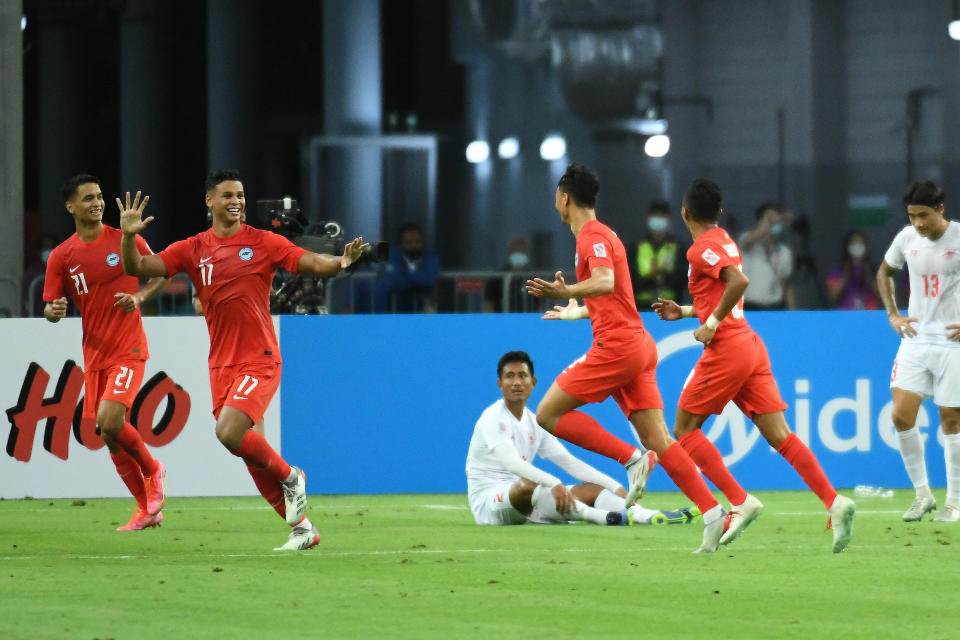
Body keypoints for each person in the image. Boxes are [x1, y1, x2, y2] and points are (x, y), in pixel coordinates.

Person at [118, 169, 367, 550]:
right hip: (221, 364)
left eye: (240, 194)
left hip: (260, 357)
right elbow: (137, 268)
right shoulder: (192, 248)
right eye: (228, 195)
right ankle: (302, 528)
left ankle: (292, 475)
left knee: (229, 433)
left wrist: (340, 263)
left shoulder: (264, 242)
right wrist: (129, 235)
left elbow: (309, 262)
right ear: (210, 201)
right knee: (249, 453)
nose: (236, 201)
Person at [526, 163, 728, 553]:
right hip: (635, 344)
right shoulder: (602, 236)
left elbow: (605, 282)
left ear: (564, 198)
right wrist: (577, 308)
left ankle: (631, 459)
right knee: (662, 439)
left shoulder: (593, 236)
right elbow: (613, 298)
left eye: (556, 196)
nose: (556, 203)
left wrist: (559, 294)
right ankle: (712, 512)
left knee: (548, 413)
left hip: (618, 348)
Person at [652, 178, 856, 553]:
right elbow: (721, 294)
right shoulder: (725, 239)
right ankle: (834, 501)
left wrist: (709, 325)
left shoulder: (699, 250)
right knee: (781, 435)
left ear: (685, 213)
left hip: (727, 348)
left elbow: (738, 282)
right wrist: (683, 312)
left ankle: (739, 500)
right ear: (718, 212)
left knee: (684, 429)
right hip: (749, 344)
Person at [43, 174, 169, 531]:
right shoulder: (62, 256)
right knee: (108, 433)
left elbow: (161, 271)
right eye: (88, 198)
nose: (97, 203)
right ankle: (147, 510)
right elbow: (51, 306)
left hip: (128, 347)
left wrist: (139, 297)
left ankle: (153, 469)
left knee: (112, 421)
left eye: (99, 196)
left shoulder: (124, 239)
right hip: (95, 354)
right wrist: (52, 313)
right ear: (71, 207)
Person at [466, 350, 698, 526]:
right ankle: (605, 518)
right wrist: (554, 483)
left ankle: (648, 516)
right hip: (489, 503)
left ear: (533, 383)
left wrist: (614, 486)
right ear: (500, 384)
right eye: (510, 377)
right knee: (528, 485)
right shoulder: (492, 419)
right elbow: (512, 464)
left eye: (522, 376)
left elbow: (569, 462)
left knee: (592, 490)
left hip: (529, 499)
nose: (517, 382)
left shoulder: (534, 421)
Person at [877, 180, 960, 523]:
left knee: (951, 421)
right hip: (915, 338)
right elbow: (884, 272)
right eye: (912, 216)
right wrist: (893, 313)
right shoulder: (906, 238)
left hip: (953, 344)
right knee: (900, 415)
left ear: (940, 209)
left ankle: (954, 503)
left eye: (924, 215)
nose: (918, 224)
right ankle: (923, 494)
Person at [627, 200, 687, 310]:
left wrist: (664, 275)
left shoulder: (678, 247)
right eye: (655, 216)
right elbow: (629, 278)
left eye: (662, 216)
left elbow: (683, 278)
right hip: (641, 307)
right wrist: (649, 278)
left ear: (668, 219)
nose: (658, 220)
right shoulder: (636, 247)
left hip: (672, 306)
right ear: (648, 218)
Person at [739, 202, 795, 310]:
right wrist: (766, 223)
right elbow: (752, 238)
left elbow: (786, 284)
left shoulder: (784, 252)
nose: (774, 223)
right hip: (751, 307)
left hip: (775, 307)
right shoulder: (747, 241)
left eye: (776, 219)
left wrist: (793, 314)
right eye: (770, 219)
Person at [376, 222, 440, 313]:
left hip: (422, 312)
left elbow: (428, 279)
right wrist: (418, 282)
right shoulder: (392, 256)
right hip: (395, 312)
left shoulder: (430, 257)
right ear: (400, 245)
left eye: (417, 242)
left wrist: (404, 273)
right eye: (409, 243)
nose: (414, 246)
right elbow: (392, 282)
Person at [826, 230, 879, 310]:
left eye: (860, 243)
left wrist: (869, 274)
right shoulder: (838, 268)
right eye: (854, 243)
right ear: (847, 246)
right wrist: (845, 273)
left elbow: (882, 295)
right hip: (845, 315)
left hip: (869, 315)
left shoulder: (873, 268)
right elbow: (833, 296)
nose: (857, 246)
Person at [483, 235, 532, 313]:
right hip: (502, 321)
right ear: (509, 253)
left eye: (522, 251)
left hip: (527, 321)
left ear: (527, 253)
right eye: (515, 251)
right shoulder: (496, 279)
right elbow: (488, 306)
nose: (518, 254)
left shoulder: (534, 279)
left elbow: (541, 307)